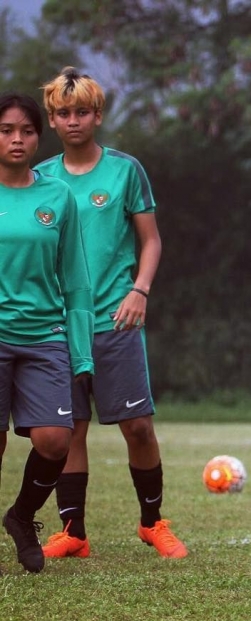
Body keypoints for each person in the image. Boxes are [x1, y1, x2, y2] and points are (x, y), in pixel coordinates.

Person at [36, 67, 187, 559]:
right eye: (63, 113)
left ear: (97, 115)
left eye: (82, 111)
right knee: (68, 431)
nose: (73, 120)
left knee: (138, 427)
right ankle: (74, 532)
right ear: (52, 120)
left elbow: (151, 240)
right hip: (59, 327)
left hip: (116, 320)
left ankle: (152, 522)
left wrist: (139, 290)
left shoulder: (126, 170)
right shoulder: (41, 180)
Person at [0, 92, 94, 573]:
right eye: (6, 130)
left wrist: (81, 352)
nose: (17, 139)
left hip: (44, 336)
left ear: (39, 136)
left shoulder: (57, 195)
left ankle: (21, 517)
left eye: (27, 130)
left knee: (55, 440)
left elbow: (75, 278)